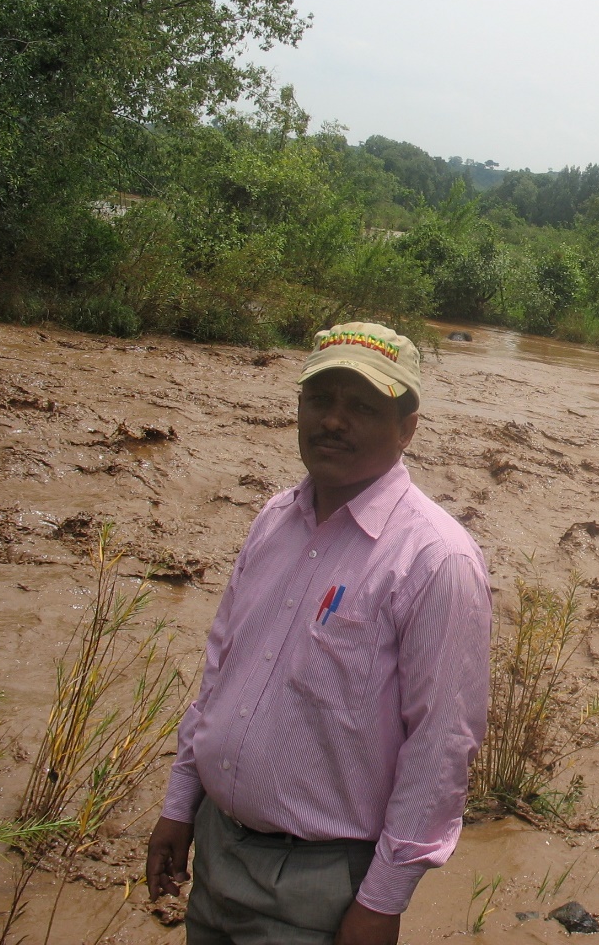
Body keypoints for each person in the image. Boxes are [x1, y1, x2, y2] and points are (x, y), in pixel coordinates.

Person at [146, 322, 492, 945]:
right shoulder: (274, 519)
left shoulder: (436, 559)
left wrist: (383, 902)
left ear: (407, 427)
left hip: (321, 887)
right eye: (320, 400)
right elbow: (220, 673)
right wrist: (180, 804)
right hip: (217, 847)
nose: (333, 421)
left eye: (362, 406)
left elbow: (441, 747)